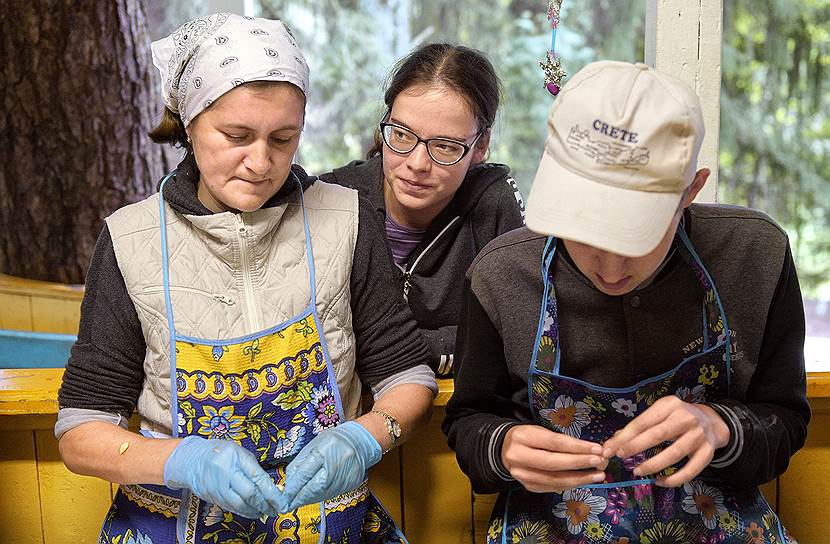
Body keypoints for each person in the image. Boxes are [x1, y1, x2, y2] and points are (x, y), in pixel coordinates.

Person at [56, 13, 436, 544]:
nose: (261, 162)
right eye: (236, 135)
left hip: (330, 527)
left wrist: (365, 437)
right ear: (189, 124)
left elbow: (407, 377)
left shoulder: (346, 219)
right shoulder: (130, 240)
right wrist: (179, 460)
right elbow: (80, 431)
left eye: (284, 138)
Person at [443, 60, 809, 543]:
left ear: (690, 190)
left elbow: (784, 419)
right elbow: (468, 421)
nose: (611, 270)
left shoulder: (754, 254)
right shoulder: (501, 274)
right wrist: (501, 447)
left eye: (638, 235)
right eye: (586, 231)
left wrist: (720, 427)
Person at [319, 43, 525, 378]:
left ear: (481, 146)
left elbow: (518, 335)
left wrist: (389, 350)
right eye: (401, 134)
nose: (416, 164)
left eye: (445, 146)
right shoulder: (335, 199)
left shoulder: (495, 204)